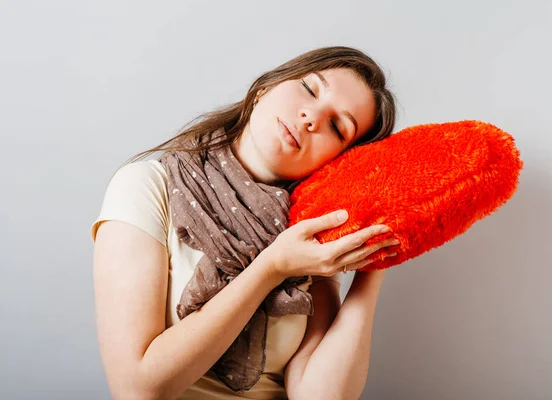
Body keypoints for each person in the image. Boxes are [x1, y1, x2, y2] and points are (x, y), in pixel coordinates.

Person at [91, 45, 399, 400]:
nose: (311, 117)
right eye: (311, 89)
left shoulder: (310, 240)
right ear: (267, 86)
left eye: (336, 126)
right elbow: (137, 389)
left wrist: (378, 256)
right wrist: (270, 268)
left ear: (336, 162)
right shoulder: (148, 186)